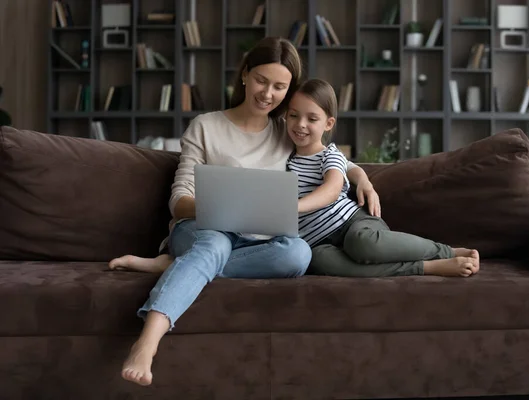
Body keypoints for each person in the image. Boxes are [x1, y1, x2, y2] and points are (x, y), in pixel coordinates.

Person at [110, 38, 381, 387]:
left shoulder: (287, 131)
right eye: (261, 81)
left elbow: (333, 160)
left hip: (256, 241)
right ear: (244, 76)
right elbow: (179, 200)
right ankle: (147, 342)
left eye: (280, 86)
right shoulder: (206, 126)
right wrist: (227, 209)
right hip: (201, 228)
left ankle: (178, 265)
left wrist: (364, 179)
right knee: (215, 246)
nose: (268, 93)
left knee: (298, 253)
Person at [286, 78, 480, 278]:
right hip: (318, 242)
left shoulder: (330, 155)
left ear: (328, 124)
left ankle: (445, 251)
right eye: (293, 115)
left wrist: (294, 206)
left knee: (361, 243)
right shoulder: (286, 160)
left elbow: (332, 189)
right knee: (318, 261)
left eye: (311, 119)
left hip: (353, 223)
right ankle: (427, 267)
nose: (300, 124)